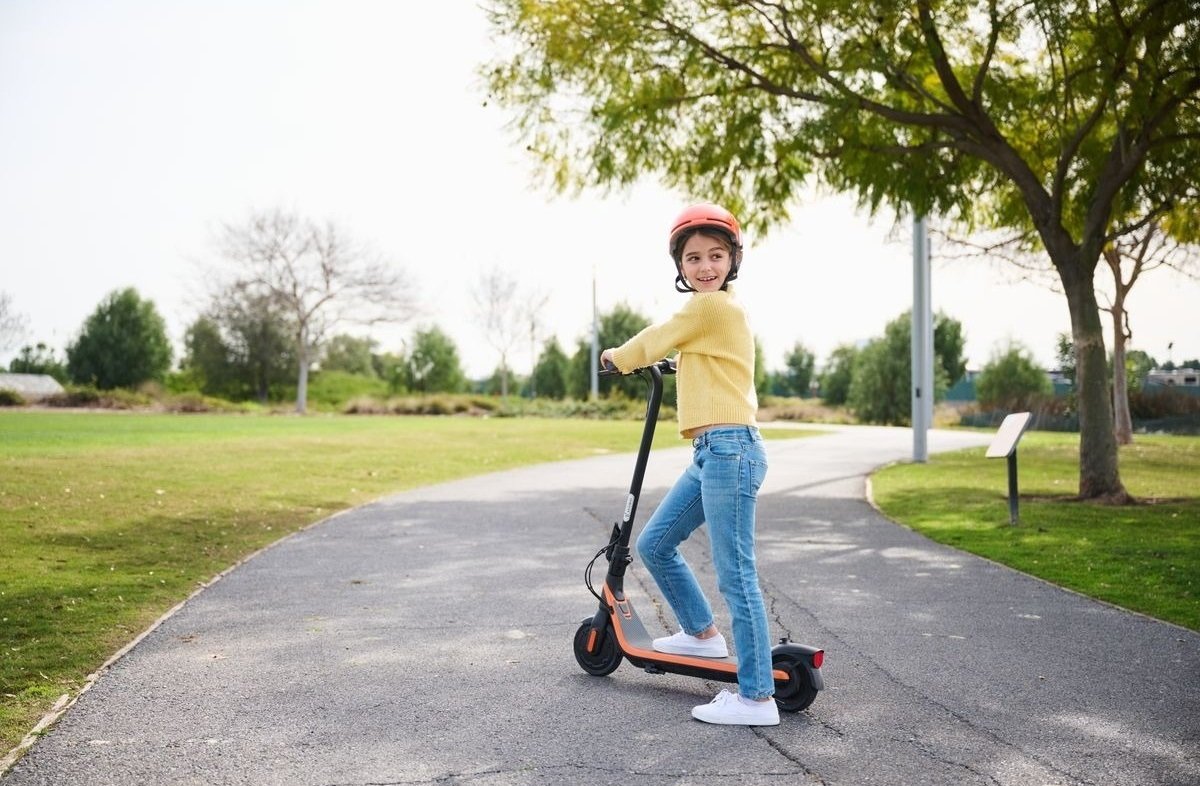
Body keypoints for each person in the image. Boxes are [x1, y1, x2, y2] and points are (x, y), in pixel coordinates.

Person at [600, 202, 777, 726]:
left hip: (730, 451)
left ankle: (756, 697)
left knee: (736, 575)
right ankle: (702, 635)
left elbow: (656, 336)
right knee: (655, 544)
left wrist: (617, 356)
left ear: (732, 260)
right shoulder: (717, 316)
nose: (705, 267)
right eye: (694, 258)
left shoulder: (709, 307)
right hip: (713, 453)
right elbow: (703, 357)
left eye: (715, 256)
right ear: (680, 265)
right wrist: (681, 364)